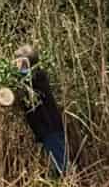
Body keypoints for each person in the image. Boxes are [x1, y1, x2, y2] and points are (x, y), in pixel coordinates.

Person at [13, 43, 68, 175]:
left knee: (61, 163)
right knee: (54, 161)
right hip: (45, 128)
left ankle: (68, 186)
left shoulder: (36, 77)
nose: (17, 65)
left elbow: (26, 78)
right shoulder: (34, 76)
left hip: (49, 127)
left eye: (20, 62)